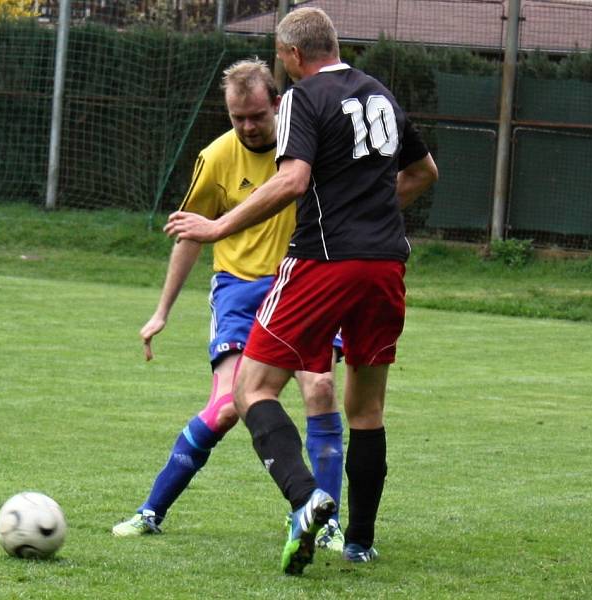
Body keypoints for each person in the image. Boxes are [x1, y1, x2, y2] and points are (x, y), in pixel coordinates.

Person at [166, 7, 438, 576]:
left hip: (325, 261)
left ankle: (304, 496)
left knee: (251, 388)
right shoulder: (381, 95)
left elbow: (292, 180)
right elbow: (423, 173)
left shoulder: (302, 98)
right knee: (366, 406)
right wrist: (375, 217)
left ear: (291, 56)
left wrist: (218, 227)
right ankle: (360, 541)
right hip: (387, 264)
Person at [112, 58, 346, 553]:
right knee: (224, 409)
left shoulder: (307, 147)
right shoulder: (216, 156)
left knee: (320, 390)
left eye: (256, 116)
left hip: (303, 284)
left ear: (278, 104)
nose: (247, 127)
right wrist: (162, 310)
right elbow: (190, 234)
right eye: (237, 117)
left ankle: (325, 521)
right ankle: (151, 510)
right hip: (238, 291)